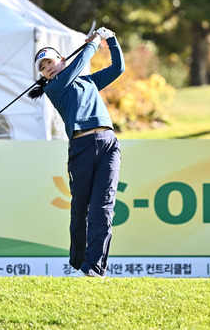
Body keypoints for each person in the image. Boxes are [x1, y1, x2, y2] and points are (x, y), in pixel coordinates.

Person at [30, 27, 125, 277]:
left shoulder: (88, 81)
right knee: (81, 208)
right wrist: (93, 43)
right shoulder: (55, 88)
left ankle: (93, 267)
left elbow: (118, 69)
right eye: (43, 67)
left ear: (62, 59)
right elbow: (80, 62)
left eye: (50, 61)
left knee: (103, 207)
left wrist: (111, 40)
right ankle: (79, 261)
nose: (48, 68)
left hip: (108, 143)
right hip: (81, 147)